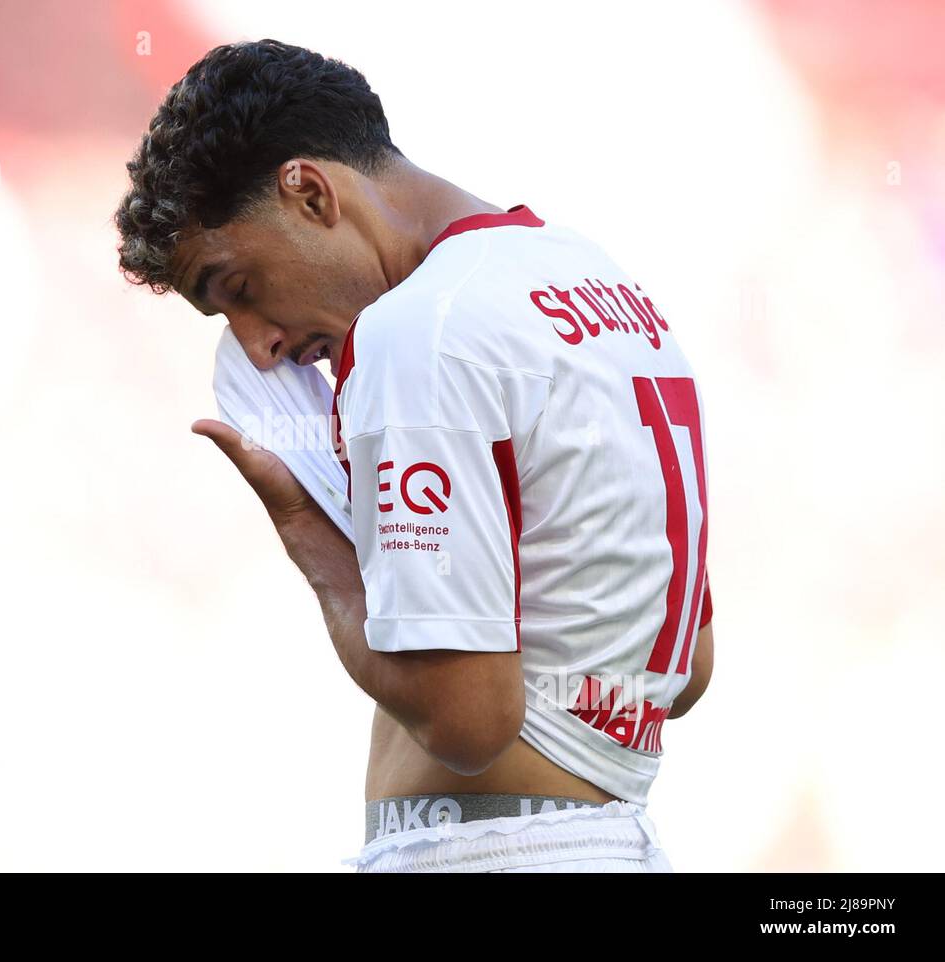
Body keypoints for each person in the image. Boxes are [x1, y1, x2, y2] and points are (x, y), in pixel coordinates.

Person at [114, 39, 713, 872]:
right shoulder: (600, 281)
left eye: (239, 290)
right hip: (611, 838)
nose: (259, 347)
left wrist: (311, 537)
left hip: (488, 850)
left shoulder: (415, 331)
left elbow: (466, 723)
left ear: (310, 191)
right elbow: (685, 673)